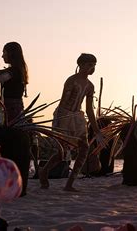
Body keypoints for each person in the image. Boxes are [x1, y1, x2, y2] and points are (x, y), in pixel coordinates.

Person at [38, 53, 105, 192]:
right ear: (80, 65)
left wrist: (97, 130)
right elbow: (63, 102)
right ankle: (44, 172)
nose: (92, 68)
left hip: (78, 118)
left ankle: (70, 183)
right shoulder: (71, 80)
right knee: (62, 152)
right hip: (64, 116)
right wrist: (61, 122)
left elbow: (89, 109)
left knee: (84, 149)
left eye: (94, 65)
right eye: (89, 64)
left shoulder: (90, 86)